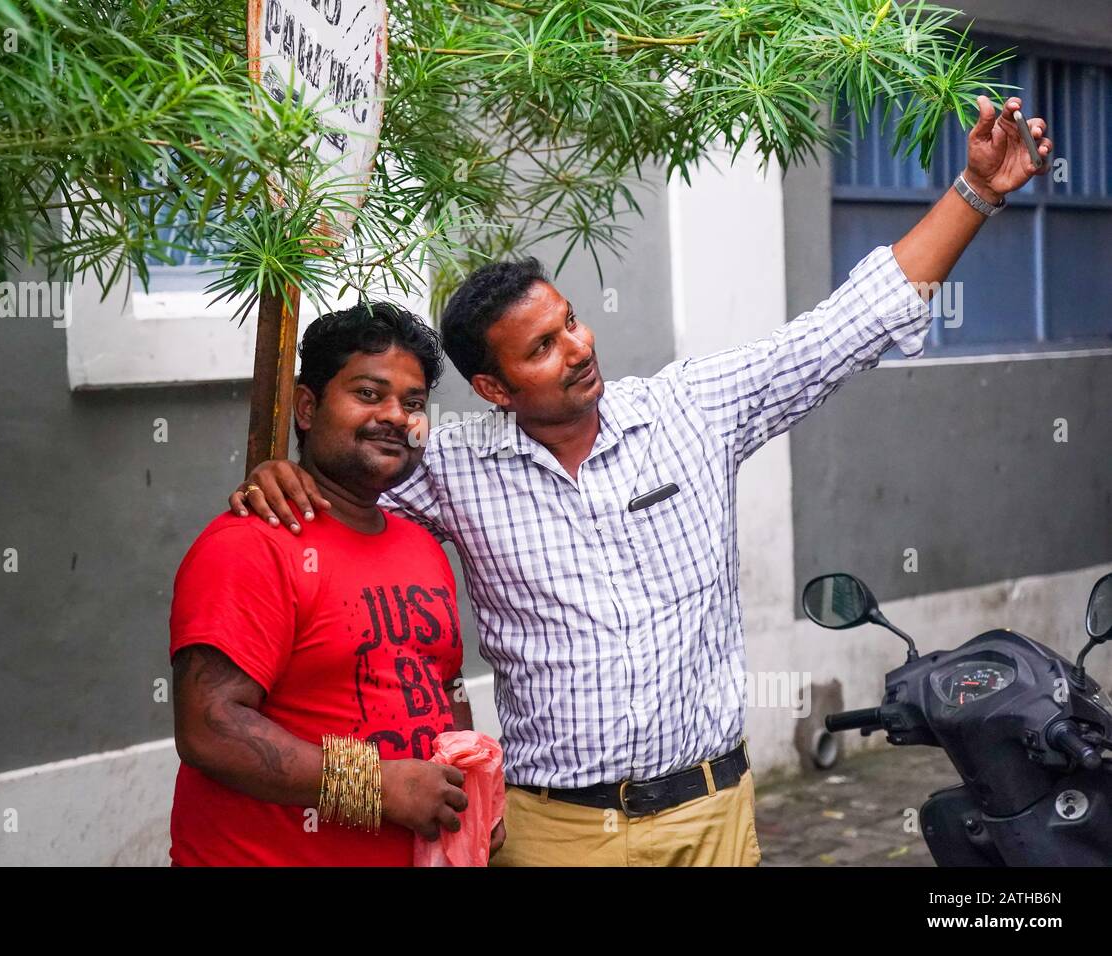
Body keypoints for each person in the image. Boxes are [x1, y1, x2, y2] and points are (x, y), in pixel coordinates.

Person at [230, 97, 1053, 866]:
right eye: (543, 347)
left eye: (570, 322)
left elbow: (847, 326)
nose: (578, 347)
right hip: (558, 831)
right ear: (495, 388)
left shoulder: (692, 411)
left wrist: (975, 192)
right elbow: (349, 484)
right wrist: (281, 469)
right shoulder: (454, 465)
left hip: (711, 817)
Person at [169, 302, 505, 865]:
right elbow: (210, 727)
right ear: (307, 406)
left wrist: (467, 797)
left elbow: (443, 689)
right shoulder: (252, 543)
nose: (396, 416)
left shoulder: (420, 544)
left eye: (413, 403)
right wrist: (378, 788)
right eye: (370, 394)